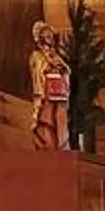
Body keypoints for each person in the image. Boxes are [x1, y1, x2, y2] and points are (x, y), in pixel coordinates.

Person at [29, 20, 71, 149]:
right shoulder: (37, 55)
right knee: (47, 119)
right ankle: (48, 144)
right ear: (41, 38)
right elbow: (37, 72)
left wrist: (63, 69)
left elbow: (66, 70)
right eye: (47, 36)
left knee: (60, 118)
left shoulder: (56, 56)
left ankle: (62, 143)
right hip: (46, 93)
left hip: (60, 93)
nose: (50, 39)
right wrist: (48, 67)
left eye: (51, 36)